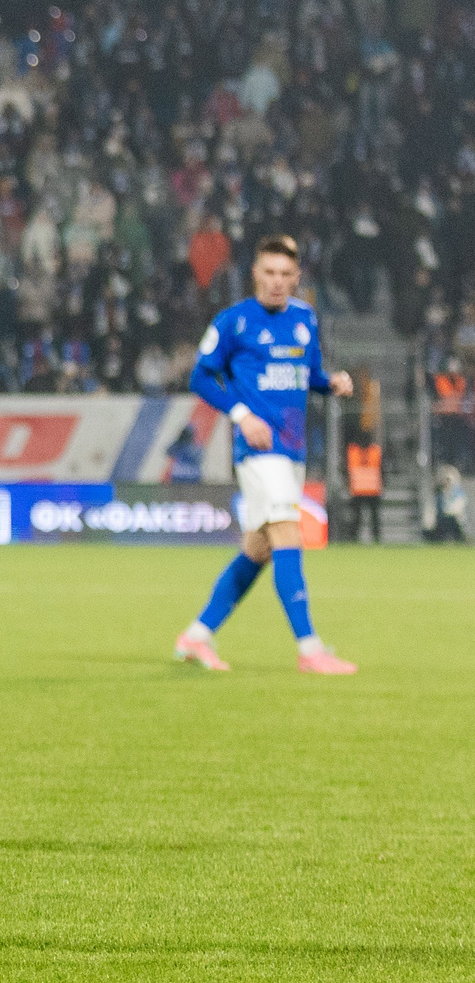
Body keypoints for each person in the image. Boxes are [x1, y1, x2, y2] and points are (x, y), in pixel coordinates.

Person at [175, 234, 358, 674]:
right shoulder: (234, 322)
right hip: (258, 450)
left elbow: (308, 375)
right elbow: (200, 377)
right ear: (255, 273)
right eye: (269, 272)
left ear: (297, 278)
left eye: (285, 274)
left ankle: (196, 636)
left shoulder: (304, 319)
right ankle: (310, 649)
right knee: (288, 534)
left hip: (292, 450)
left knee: (258, 548)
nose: (277, 281)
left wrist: (332, 383)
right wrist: (241, 415)